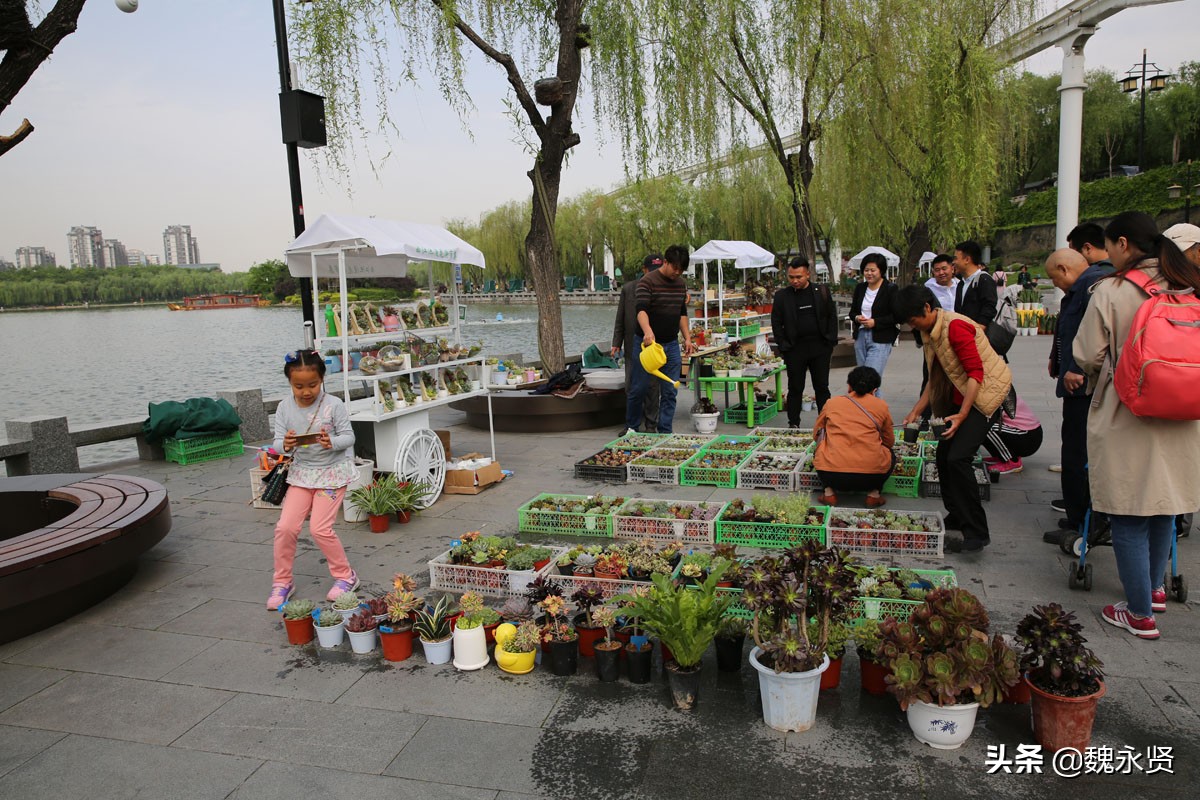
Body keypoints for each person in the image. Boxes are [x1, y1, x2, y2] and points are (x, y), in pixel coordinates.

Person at [1073, 211, 1200, 639]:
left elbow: (1088, 354)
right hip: (1183, 412)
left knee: (1128, 511)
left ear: (1123, 244)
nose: (1107, 254)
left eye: (1109, 246)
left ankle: (1140, 612)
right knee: (1164, 503)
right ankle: (1156, 589)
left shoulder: (1110, 290)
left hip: (1128, 411)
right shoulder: (1187, 282)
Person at [898, 284, 1013, 553]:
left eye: (913, 320)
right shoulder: (930, 331)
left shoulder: (956, 327)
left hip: (984, 397)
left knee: (958, 459)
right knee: (943, 457)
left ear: (927, 307)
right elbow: (934, 377)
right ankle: (957, 514)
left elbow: (976, 374)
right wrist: (917, 409)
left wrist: (962, 415)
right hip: (960, 395)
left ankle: (976, 531)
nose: (913, 326)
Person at [267, 350, 359, 610]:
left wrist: (333, 442)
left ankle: (345, 577)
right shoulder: (285, 406)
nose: (306, 391)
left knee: (320, 528)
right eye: (299, 386)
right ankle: (282, 582)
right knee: (285, 528)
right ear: (289, 383)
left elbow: (349, 437)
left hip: (332, 474)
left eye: (312, 385)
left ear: (322, 380)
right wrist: (283, 444)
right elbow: (277, 443)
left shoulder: (334, 404)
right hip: (302, 474)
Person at [1044, 246, 1111, 545]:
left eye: (1053, 278)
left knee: (1077, 454)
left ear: (1063, 269)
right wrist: (1056, 358)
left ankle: (1082, 522)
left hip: (1082, 386)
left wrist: (1075, 368)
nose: (1055, 284)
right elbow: (1067, 333)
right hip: (1076, 381)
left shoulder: (1092, 287)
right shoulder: (1082, 288)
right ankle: (1079, 515)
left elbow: (1093, 336)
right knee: (1075, 449)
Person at [629, 244, 694, 433]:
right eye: (675, 268)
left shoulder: (680, 284)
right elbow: (641, 310)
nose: (677, 272)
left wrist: (687, 338)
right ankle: (632, 427)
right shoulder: (647, 281)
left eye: (681, 270)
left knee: (670, 391)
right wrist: (648, 330)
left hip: (671, 344)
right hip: (646, 344)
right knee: (639, 388)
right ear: (665, 262)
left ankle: (665, 431)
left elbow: (682, 313)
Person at [812, 367, 895, 507]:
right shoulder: (881, 406)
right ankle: (873, 494)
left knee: (819, 450)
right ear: (875, 390)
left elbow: (817, 435)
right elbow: (889, 442)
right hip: (871, 477)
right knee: (890, 454)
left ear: (849, 386)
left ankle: (829, 493)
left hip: (831, 475)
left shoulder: (832, 403)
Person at [772, 257, 838, 428]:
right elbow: (776, 323)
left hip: (820, 348)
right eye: (791, 277)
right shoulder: (782, 296)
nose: (795, 281)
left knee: (822, 387)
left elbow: (832, 317)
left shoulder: (821, 291)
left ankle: (825, 424)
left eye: (799, 277)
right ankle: (793, 424)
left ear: (808, 274)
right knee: (795, 388)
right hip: (795, 349)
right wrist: (783, 346)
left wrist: (830, 341)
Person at [613, 254, 662, 432]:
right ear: (644, 270)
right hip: (632, 344)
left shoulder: (663, 288)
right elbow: (620, 317)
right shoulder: (628, 288)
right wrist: (616, 342)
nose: (654, 274)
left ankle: (651, 425)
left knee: (652, 386)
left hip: (654, 347)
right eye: (651, 271)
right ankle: (631, 426)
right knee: (632, 386)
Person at [848, 253, 899, 388]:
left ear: (881, 271)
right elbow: (853, 312)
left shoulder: (890, 289)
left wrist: (875, 322)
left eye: (872, 270)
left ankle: (874, 409)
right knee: (862, 380)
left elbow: (897, 316)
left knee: (871, 379)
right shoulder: (860, 288)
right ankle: (867, 408)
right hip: (861, 336)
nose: (869, 273)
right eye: (866, 270)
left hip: (880, 338)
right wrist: (858, 318)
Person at [982, 393, 1042, 475]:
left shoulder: (995, 391)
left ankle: (1012, 461)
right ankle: (1001, 457)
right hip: (1025, 433)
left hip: (1028, 436)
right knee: (982, 426)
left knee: (985, 428)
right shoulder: (998, 387)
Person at [953, 240, 998, 328]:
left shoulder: (984, 280)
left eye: (956, 258)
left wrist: (980, 328)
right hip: (965, 335)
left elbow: (989, 307)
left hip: (979, 337)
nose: (953, 262)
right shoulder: (961, 284)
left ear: (967, 260)